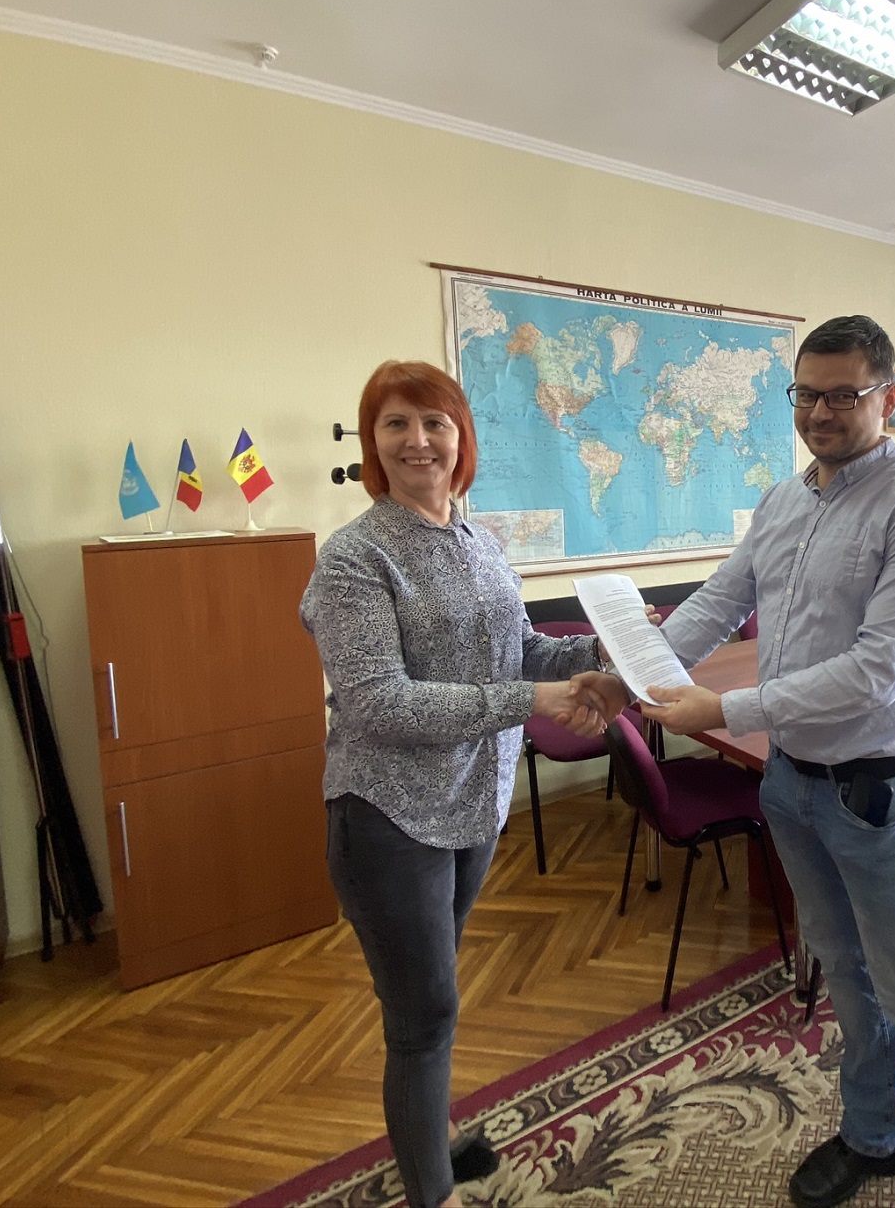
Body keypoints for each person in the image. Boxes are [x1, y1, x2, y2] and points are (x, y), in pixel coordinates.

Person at [643, 315, 895, 1208]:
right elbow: (719, 602)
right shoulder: (782, 501)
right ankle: (877, 1137)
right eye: (806, 394)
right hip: (790, 786)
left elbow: (878, 672)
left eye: (844, 394)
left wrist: (725, 709)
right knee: (844, 973)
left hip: (878, 796)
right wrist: (632, 672)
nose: (820, 412)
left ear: (888, 398)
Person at [301, 359, 616, 1208]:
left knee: (433, 990)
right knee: (424, 1014)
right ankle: (430, 1191)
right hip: (388, 817)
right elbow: (379, 703)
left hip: (474, 805)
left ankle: (429, 1143)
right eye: (395, 424)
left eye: (434, 422)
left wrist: (601, 650)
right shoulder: (354, 559)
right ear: (372, 442)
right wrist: (534, 699)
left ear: (460, 438)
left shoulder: (480, 541)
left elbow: (522, 652)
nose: (418, 440)